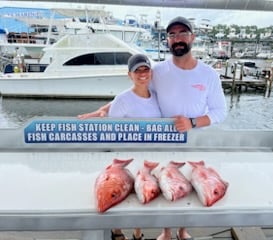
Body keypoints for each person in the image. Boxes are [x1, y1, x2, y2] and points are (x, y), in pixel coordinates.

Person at [78, 16, 227, 240]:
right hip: (163, 140)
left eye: (183, 34)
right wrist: (104, 110)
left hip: (193, 140)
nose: (177, 39)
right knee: (168, 184)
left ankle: (183, 231)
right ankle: (166, 232)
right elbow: (136, 90)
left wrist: (192, 122)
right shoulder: (158, 71)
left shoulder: (209, 74)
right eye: (172, 35)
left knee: (191, 187)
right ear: (167, 40)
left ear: (192, 37)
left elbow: (219, 112)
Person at [108, 53, 161, 240]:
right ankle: (117, 231)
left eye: (145, 69)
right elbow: (110, 131)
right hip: (126, 157)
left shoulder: (157, 97)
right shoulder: (121, 100)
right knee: (121, 194)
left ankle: (138, 234)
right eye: (137, 70)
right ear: (129, 74)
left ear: (151, 72)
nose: (142, 74)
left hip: (149, 156)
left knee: (143, 195)